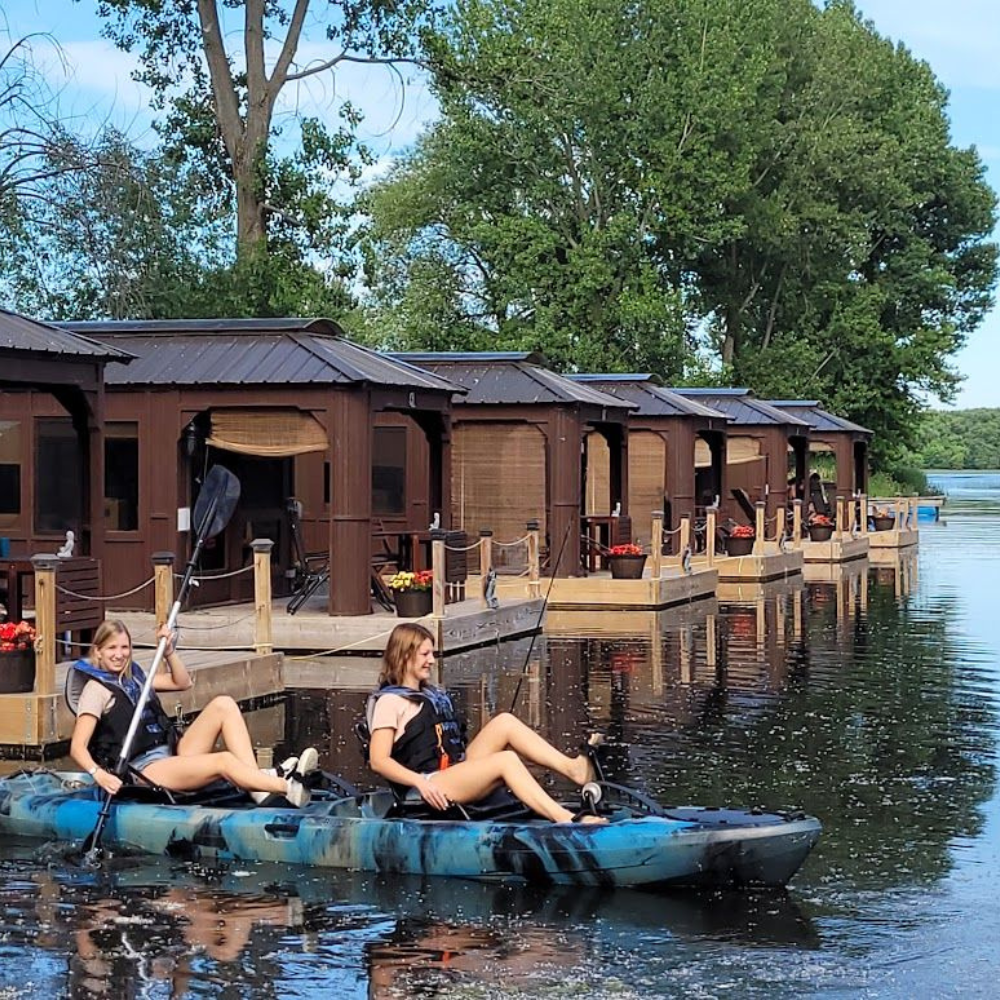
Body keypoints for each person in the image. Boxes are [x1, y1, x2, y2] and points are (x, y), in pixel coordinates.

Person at [367, 622, 607, 824]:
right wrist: (419, 782)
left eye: (432, 653)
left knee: (504, 722)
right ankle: (566, 819)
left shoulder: (429, 694)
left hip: (452, 770)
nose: (431, 660)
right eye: (424, 654)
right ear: (405, 656)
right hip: (428, 782)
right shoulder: (390, 701)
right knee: (505, 760)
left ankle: (573, 769)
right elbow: (379, 761)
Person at [69, 619, 315, 807]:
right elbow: (77, 748)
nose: (119, 654)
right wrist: (98, 775)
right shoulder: (96, 690)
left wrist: (169, 653)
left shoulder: (134, 678)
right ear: (98, 651)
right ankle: (285, 785)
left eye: (125, 647)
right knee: (224, 760)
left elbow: (182, 683)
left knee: (223, 704)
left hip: (172, 752)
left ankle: (255, 784)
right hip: (146, 769)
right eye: (112, 648)